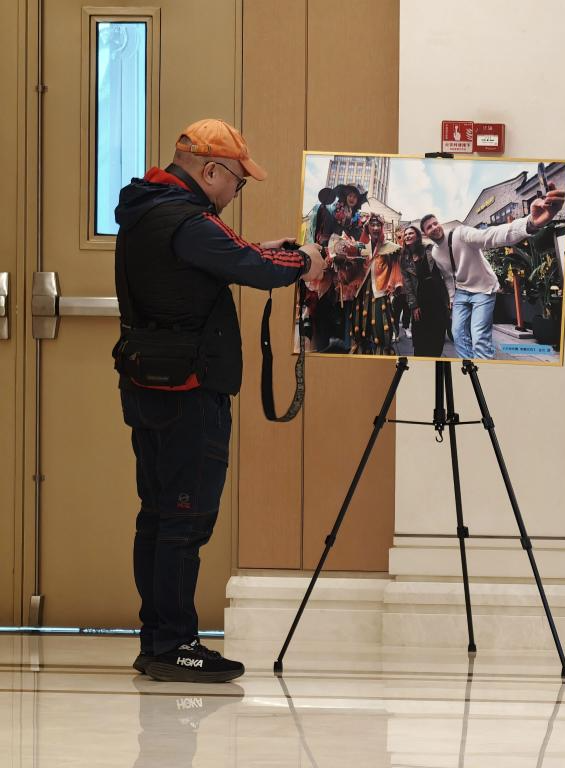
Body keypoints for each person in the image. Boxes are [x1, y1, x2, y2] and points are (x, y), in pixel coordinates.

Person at [113, 119, 326, 683]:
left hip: (149, 385)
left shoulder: (149, 208)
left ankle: (156, 641)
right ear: (210, 171)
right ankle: (176, 645)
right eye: (237, 181)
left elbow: (226, 256)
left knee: (158, 515)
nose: (236, 191)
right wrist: (304, 260)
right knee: (185, 521)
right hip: (188, 393)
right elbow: (252, 268)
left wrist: (264, 250)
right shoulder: (188, 220)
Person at [422, 181, 565, 359]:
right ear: (425, 234)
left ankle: (485, 369)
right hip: (462, 292)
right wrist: (452, 298)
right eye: (429, 227)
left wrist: (530, 223)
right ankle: (469, 367)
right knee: (457, 334)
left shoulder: (460, 233)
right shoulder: (435, 253)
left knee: (479, 338)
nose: (434, 227)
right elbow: (447, 277)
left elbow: (491, 235)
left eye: (435, 223)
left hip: (484, 288)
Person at [353, 214, 402, 355]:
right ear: (367, 228)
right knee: (360, 325)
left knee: (381, 326)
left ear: (382, 228)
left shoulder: (390, 248)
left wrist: (394, 284)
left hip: (380, 290)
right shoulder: (360, 246)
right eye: (372, 225)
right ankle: (363, 351)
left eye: (378, 225)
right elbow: (354, 266)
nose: (375, 228)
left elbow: (396, 265)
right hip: (362, 290)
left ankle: (382, 353)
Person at [400, 225, 449, 357]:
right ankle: (420, 363)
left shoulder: (429, 249)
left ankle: (435, 360)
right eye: (405, 234)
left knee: (437, 331)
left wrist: (449, 296)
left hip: (436, 295)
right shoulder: (404, 258)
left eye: (411, 233)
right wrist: (413, 305)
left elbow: (445, 269)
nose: (407, 236)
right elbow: (408, 284)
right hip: (420, 298)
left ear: (417, 235)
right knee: (420, 336)